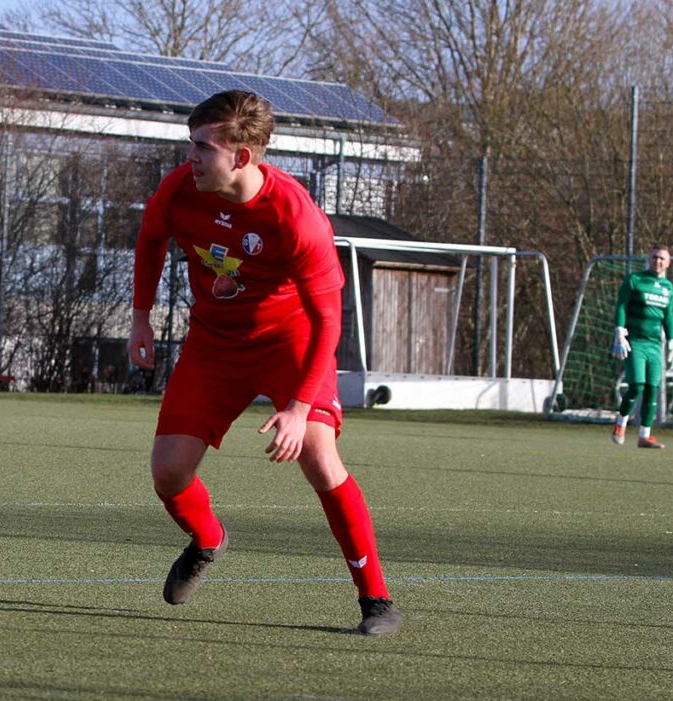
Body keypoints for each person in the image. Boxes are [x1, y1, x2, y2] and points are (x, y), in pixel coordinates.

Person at [127, 90, 401, 636]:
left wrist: (300, 408)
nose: (192, 157)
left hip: (290, 342)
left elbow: (328, 319)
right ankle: (207, 539)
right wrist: (141, 316)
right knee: (168, 472)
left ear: (243, 156)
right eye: (191, 144)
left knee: (320, 457)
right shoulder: (180, 189)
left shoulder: (296, 217)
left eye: (204, 147)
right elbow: (151, 240)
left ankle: (377, 601)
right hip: (214, 343)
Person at [611, 244, 673, 449]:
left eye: (662, 258)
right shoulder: (635, 280)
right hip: (635, 342)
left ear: (668, 263)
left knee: (651, 388)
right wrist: (619, 332)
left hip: (655, 345)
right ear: (649, 259)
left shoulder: (668, 288)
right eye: (655, 257)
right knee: (637, 385)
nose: (658, 261)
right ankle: (621, 423)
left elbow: (668, 316)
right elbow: (621, 305)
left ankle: (644, 436)